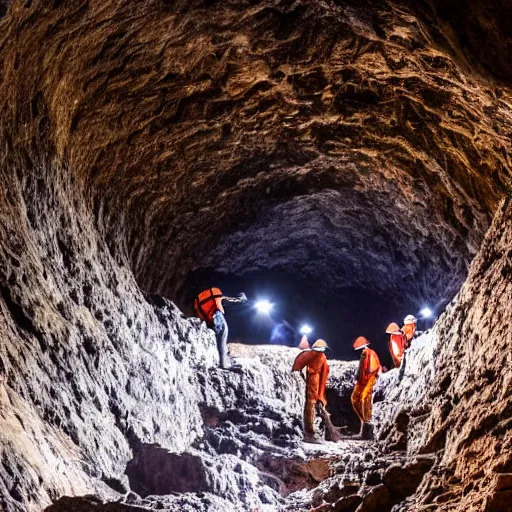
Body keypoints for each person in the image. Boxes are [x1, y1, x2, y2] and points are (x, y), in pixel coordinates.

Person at [194, 288, 247, 369]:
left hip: (208, 317)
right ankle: (223, 364)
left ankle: (221, 359)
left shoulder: (208, 298)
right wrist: (240, 299)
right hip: (215, 314)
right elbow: (227, 300)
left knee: (219, 336)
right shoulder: (218, 294)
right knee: (223, 332)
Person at [291, 339, 330, 443]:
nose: (320, 351)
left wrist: (321, 395)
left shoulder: (322, 357)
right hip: (312, 381)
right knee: (310, 404)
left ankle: (312, 430)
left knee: (313, 404)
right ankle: (309, 433)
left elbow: (324, 373)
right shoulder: (311, 354)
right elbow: (298, 365)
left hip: (316, 381)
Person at [351, 336, 382, 439]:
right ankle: (364, 421)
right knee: (354, 399)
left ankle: (367, 425)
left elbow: (374, 368)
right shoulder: (363, 355)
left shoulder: (371, 353)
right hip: (362, 379)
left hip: (370, 378)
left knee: (365, 398)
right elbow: (361, 369)